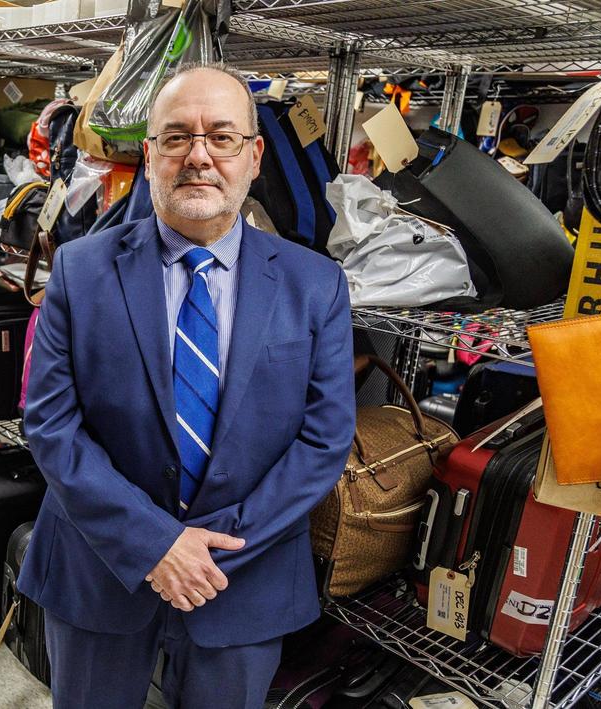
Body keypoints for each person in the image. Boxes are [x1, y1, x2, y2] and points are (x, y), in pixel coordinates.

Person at [18, 64, 357, 707]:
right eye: (176, 137)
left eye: (221, 137)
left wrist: (208, 553)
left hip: (244, 574)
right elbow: (52, 425)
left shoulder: (317, 286)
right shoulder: (81, 270)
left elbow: (325, 438)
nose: (198, 156)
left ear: (254, 156)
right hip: (100, 566)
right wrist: (155, 543)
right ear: (149, 156)